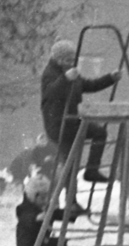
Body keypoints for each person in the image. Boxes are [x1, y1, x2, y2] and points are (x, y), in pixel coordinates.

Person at [40, 38, 118, 218]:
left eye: (72, 59)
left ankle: (91, 169)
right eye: (67, 59)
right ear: (58, 59)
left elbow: (89, 85)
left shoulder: (71, 72)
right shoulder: (50, 74)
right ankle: (70, 203)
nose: (70, 62)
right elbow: (50, 93)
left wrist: (110, 78)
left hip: (73, 121)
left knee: (99, 132)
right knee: (70, 164)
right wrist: (65, 79)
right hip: (59, 125)